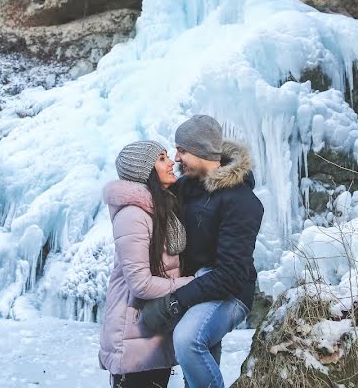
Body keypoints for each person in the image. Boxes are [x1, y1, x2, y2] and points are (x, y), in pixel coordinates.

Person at [142, 115, 264, 388]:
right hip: (195, 283)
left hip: (230, 291)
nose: (176, 157)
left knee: (188, 340)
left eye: (182, 150)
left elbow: (230, 274)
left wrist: (176, 300)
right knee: (200, 357)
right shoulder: (186, 187)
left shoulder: (242, 201)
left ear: (200, 151)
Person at [99, 140, 195, 388]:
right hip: (132, 337)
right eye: (162, 158)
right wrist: (193, 284)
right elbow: (140, 284)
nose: (171, 162)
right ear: (145, 171)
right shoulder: (133, 215)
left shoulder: (160, 208)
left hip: (151, 333)